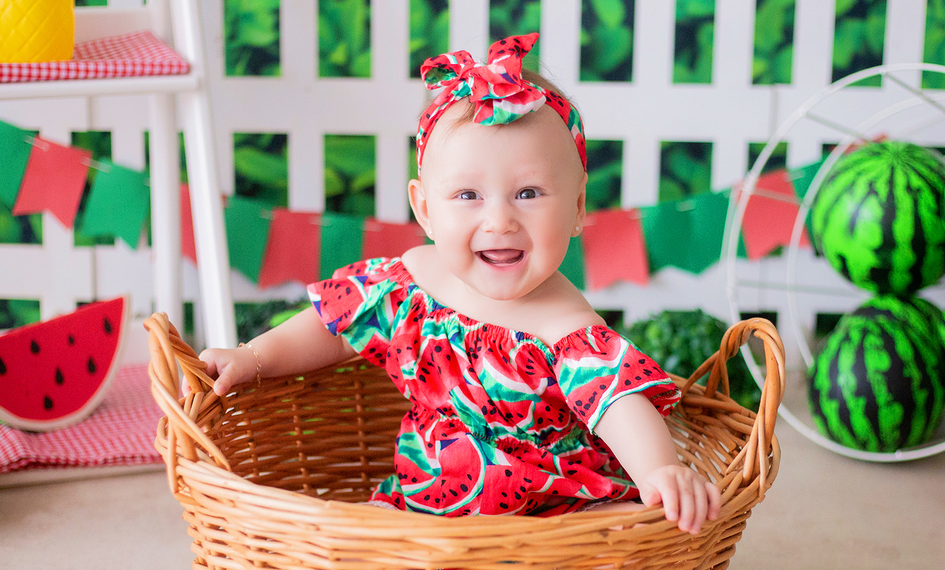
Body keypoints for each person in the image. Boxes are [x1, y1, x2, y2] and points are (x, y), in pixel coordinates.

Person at [200, 33, 721, 533]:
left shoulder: (566, 327)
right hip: (424, 501)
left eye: (530, 193)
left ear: (579, 206)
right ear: (424, 209)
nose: (499, 221)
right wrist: (254, 358)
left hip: (544, 518)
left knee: (591, 556)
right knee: (362, 546)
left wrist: (658, 472)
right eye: (468, 195)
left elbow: (616, 403)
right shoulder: (412, 285)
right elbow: (335, 324)